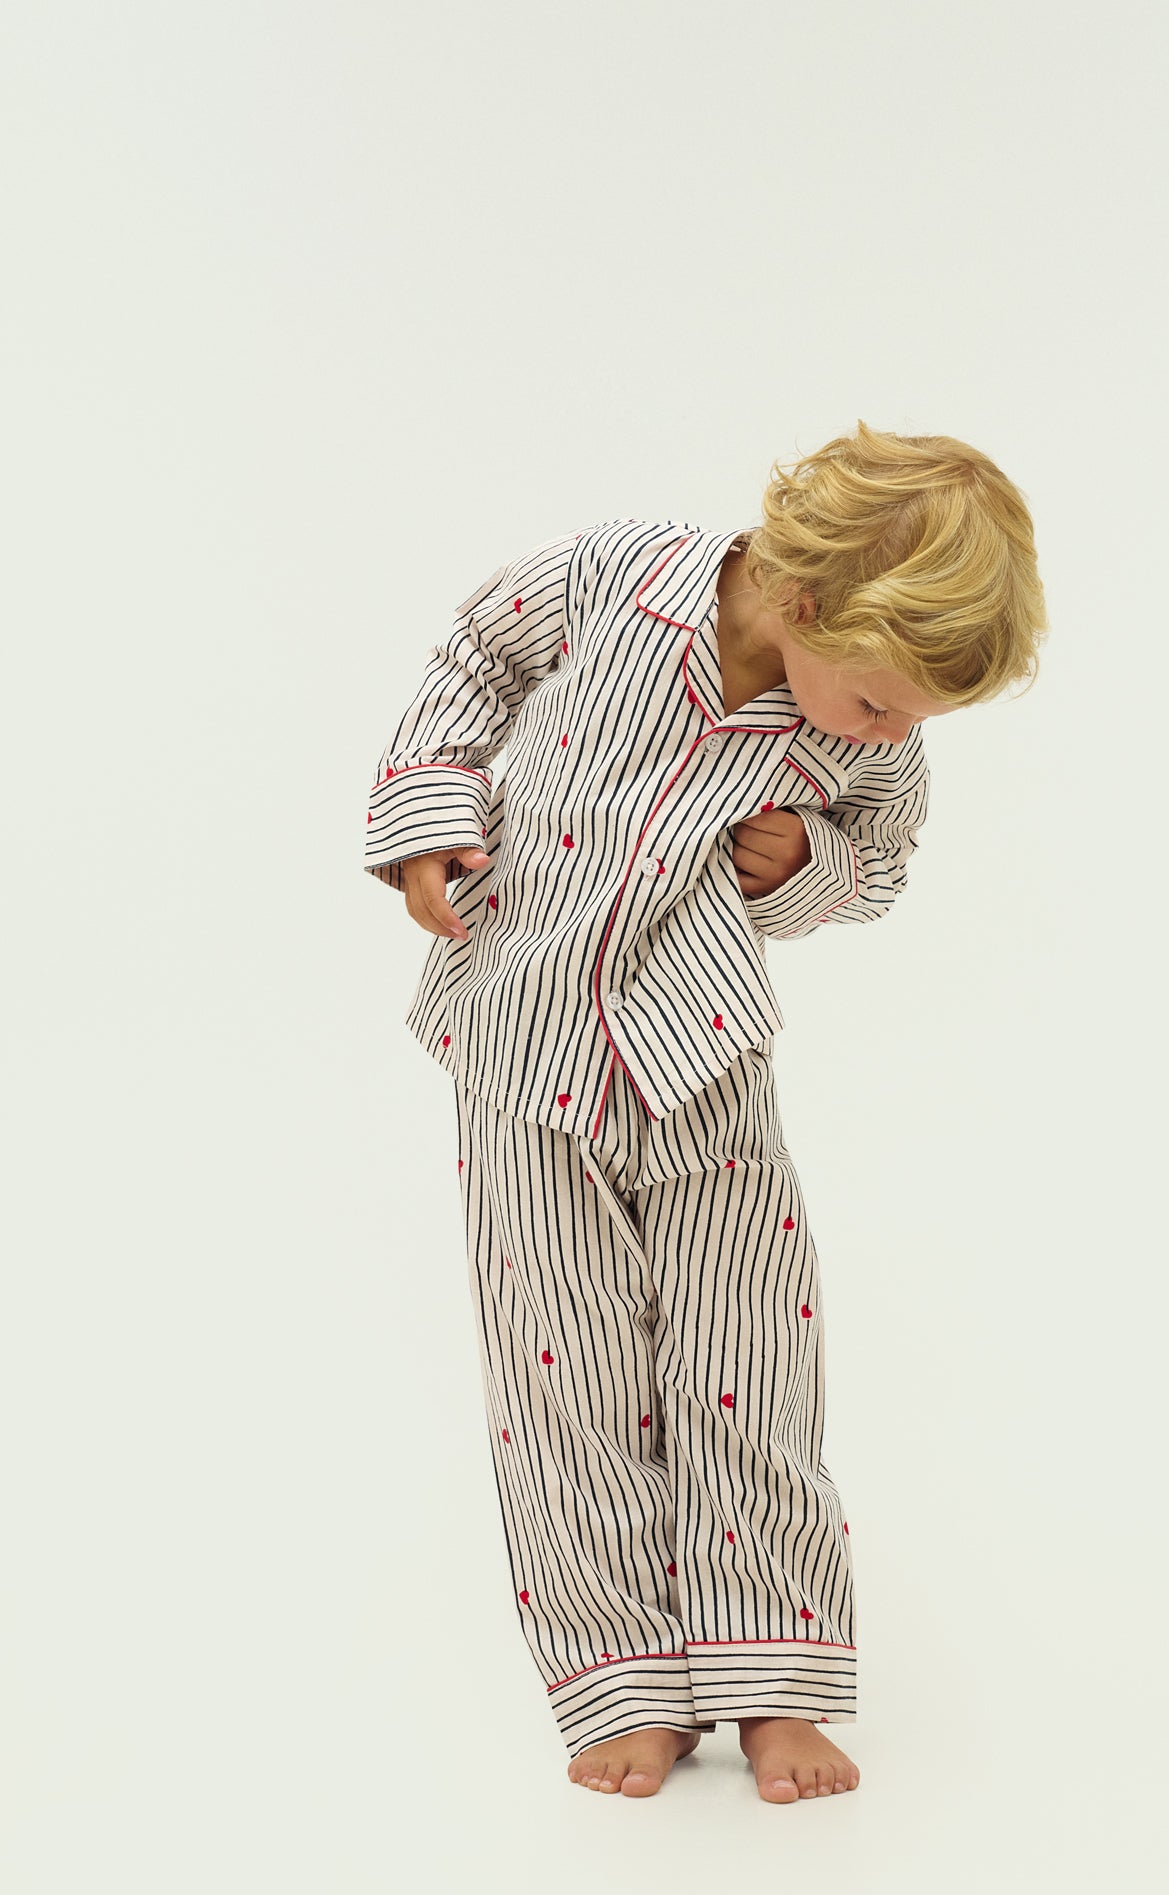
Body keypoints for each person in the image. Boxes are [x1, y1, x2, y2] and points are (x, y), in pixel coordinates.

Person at [362, 419, 1048, 1803]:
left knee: (750, 1360)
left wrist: (805, 864)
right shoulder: (618, 575)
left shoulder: (866, 743)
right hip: (522, 1040)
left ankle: (774, 1680)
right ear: (804, 600)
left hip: (702, 1059)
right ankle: (622, 1678)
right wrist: (432, 808)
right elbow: (477, 653)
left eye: (919, 719)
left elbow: (884, 863)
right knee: (564, 1372)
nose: (896, 736)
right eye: (881, 706)